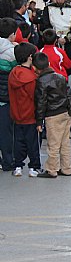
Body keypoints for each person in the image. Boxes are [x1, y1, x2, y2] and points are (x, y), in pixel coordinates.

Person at [33, 52, 71, 178]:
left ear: (35, 68)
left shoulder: (41, 82)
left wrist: (39, 121)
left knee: (53, 144)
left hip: (52, 115)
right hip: (65, 113)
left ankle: (52, 169)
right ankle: (66, 168)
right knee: (65, 143)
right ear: (49, 64)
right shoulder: (60, 77)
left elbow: (41, 102)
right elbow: (69, 95)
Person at [8, 42, 41, 177]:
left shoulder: (13, 74)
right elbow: (35, 97)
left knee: (18, 142)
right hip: (30, 116)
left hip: (16, 114)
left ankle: (18, 166)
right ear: (30, 57)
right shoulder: (31, 78)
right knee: (33, 143)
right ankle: (34, 166)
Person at [40, 0, 71, 76]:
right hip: (53, 40)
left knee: (67, 64)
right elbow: (46, 25)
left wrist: (66, 39)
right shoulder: (48, 9)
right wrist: (56, 38)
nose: (60, 1)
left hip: (67, 40)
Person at [0, 17, 17, 171]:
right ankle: (7, 161)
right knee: (6, 131)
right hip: (6, 97)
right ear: (12, 34)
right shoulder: (12, 52)